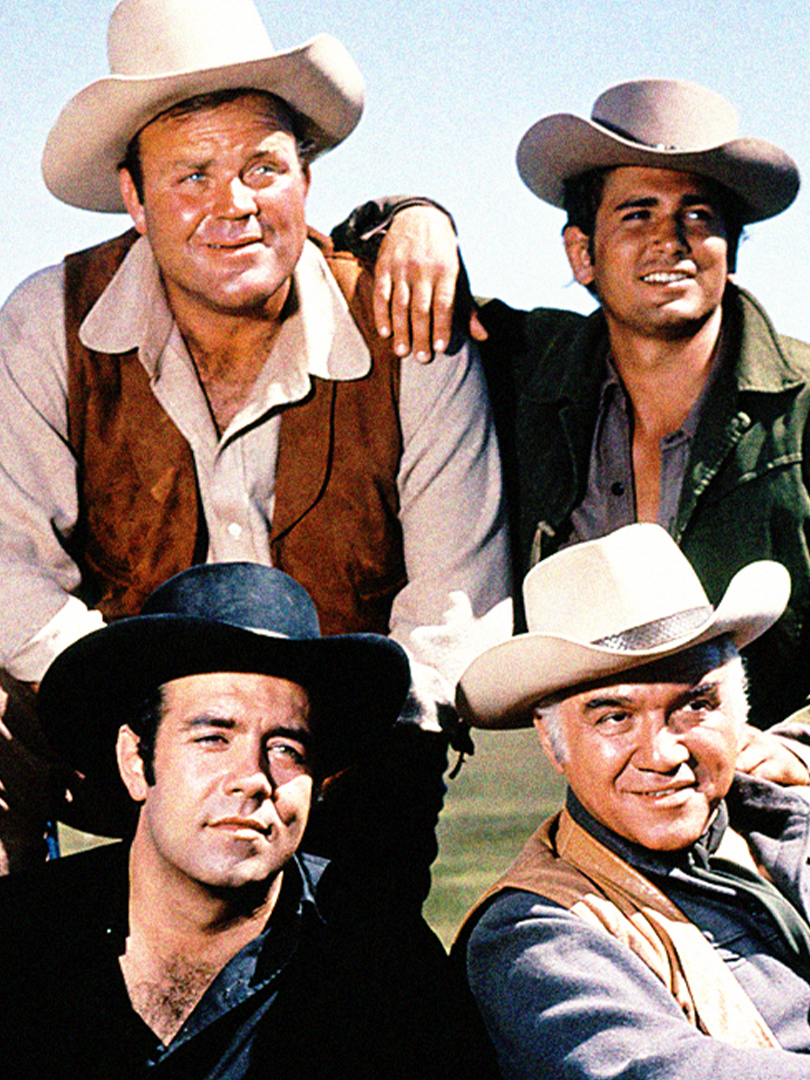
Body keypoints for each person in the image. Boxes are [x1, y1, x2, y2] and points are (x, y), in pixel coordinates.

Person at [0, 0, 509, 870]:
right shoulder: (50, 319)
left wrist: (320, 747)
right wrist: (165, 742)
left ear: (307, 178)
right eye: (192, 175)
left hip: (352, 761)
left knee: (366, 944)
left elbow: (453, 612)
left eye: (262, 167)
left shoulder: (403, 324)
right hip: (123, 751)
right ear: (134, 198)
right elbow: (13, 576)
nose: (232, 204)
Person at [338, 78, 809, 734]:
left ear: (730, 251)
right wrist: (417, 217)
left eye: (698, 215)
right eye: (637, 214)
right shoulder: (524, 367)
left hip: (775, 771)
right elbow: (378, 272)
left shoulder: (801, 405)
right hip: (595, 771)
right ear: (581, 253)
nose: (670, 240)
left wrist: (797, 747)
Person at [0, 561, 499, 1080]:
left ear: (317, 782)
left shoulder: (387, 971)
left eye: (285, 748)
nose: (253, 778)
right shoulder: (21, 941)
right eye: (213, 738)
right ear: (135, 761)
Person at [453, 523, 810, 1079]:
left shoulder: (783, 810)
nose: (662, 754)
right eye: (615, 718)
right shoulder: (533, 935)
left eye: (695, 705)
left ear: (740, 713)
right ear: (552, 742)